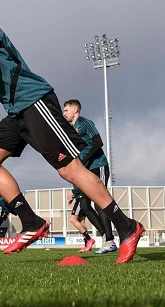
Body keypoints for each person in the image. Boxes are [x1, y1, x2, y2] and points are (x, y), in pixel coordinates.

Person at [0, 0, 143, 262]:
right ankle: (31, 222)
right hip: (17, 112)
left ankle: (127, 227)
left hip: (34, 101)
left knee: (70, 170)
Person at [63, 99, 117, 254]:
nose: (64, 113)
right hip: (86, 170)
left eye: (66, 110)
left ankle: (110, 240)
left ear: (75, 110)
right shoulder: (71, 130)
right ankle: (107, 237)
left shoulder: (84, 123)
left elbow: (97, 142)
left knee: (100, 202)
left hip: (98, 166)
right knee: (85, 206)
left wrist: (82, 159)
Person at [67, 186, 98, 253]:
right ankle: (87, 245)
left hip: (81, 199)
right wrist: (73, 196)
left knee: (73, 219)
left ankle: (89, 239)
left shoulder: (76, 175)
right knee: (81, 222)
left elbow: (83, 185)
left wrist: (73, 192)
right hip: (82, 198)